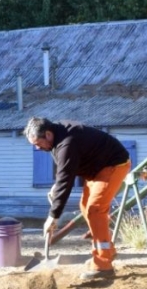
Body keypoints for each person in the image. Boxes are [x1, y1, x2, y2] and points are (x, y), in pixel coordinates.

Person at [24, 117, 131, 280]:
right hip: (96, 169)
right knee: (85, 208)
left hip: (113, 165)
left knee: (95, 209)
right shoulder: (56, 136)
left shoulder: (67, 142)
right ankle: (107, 250)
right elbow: (64, 170)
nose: (38, 148)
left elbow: (66, 179)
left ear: (47, 134)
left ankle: (103, 265)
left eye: (38, 143)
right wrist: (56, 186)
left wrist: (53, 217)